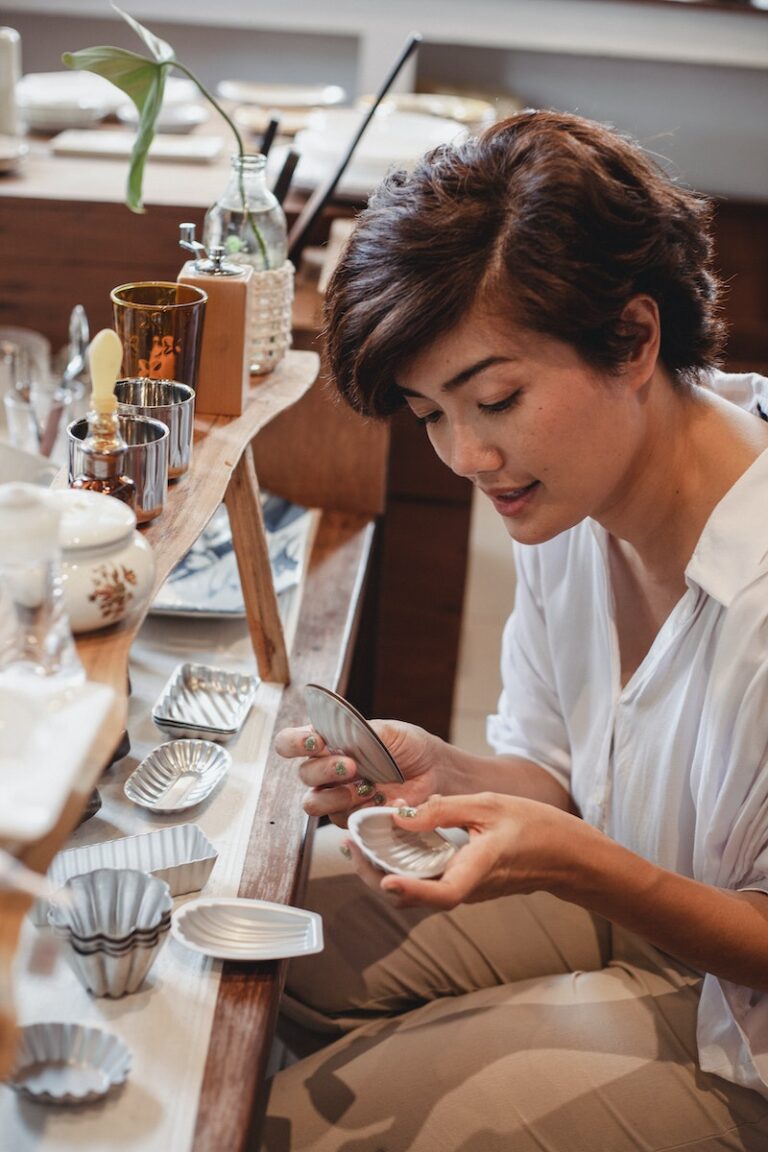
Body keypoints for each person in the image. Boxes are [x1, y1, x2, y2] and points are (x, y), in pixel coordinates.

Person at [260, 110, 768, 1151]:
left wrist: (574, 864)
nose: (466, 456)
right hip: (636, 903)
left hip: (748, 1028)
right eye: (430, 413)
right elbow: (565, 778)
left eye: (493, 399)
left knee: (297, 1129)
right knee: (261, 939)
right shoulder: (569, 504)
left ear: (632, 337)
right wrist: (447, 773)